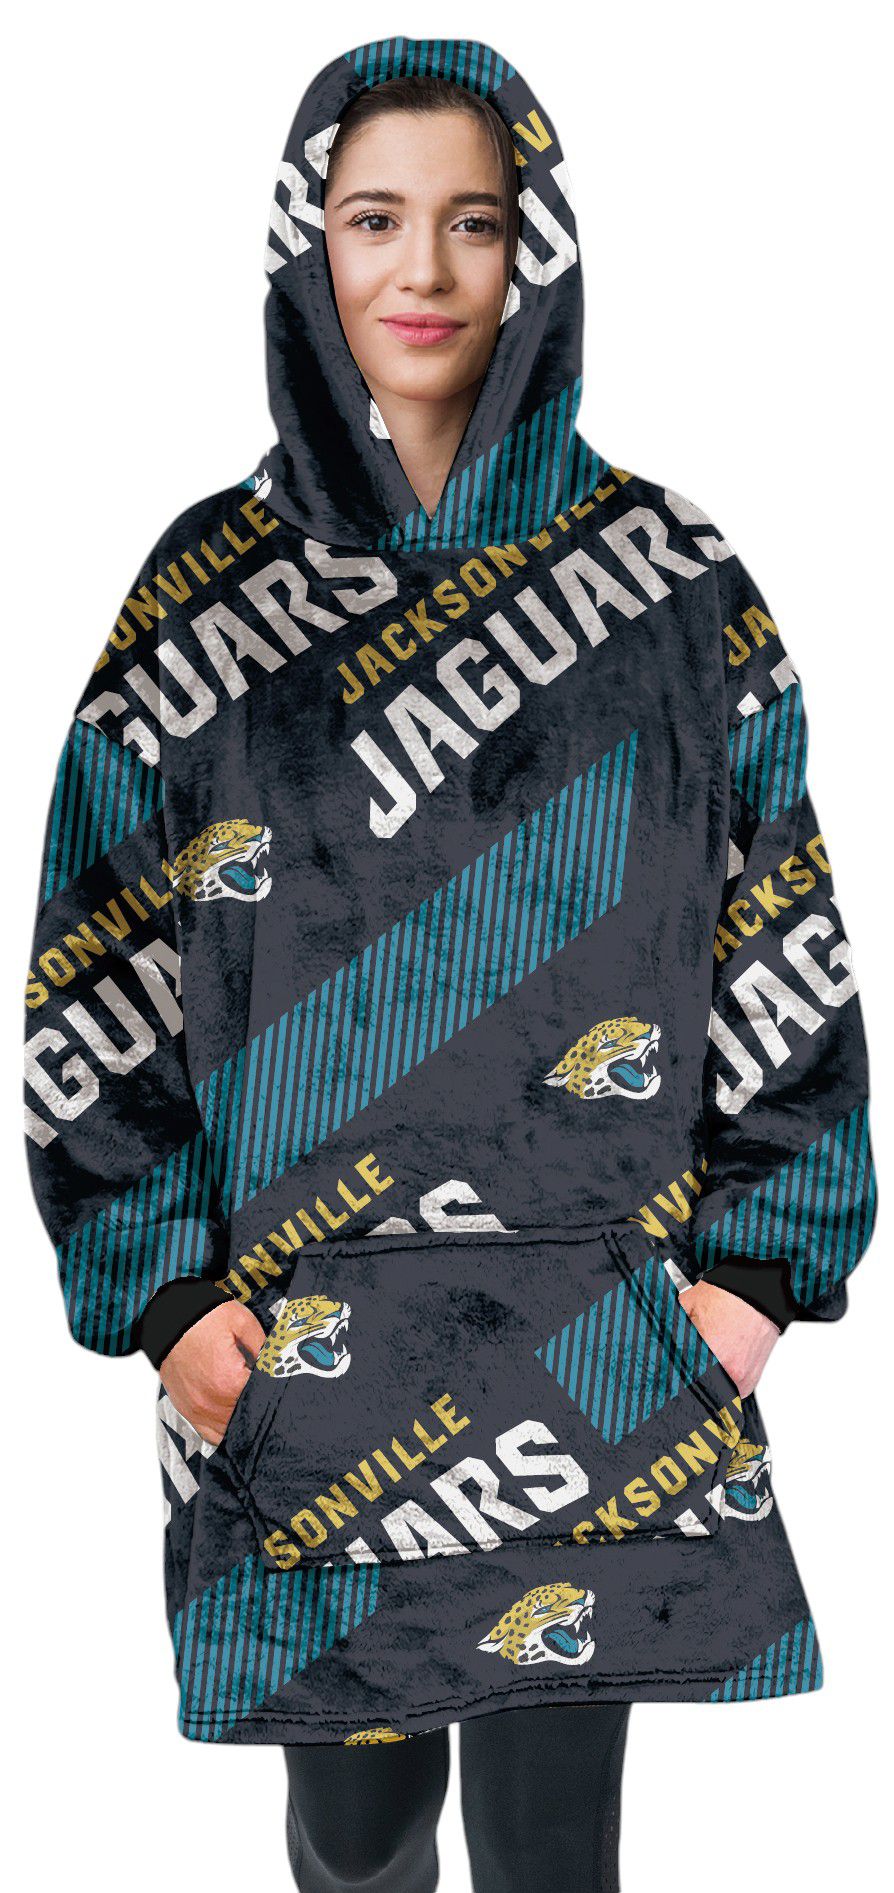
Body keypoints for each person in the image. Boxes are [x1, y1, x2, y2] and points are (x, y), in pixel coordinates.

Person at [22, 36, 878, 1893]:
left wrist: (750, 1277)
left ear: (535, 251)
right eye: (374, 218)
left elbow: (781, 933)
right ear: (305, 244)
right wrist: (165, 1302)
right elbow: (98, 971)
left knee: (556, 1848)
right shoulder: (202, 597)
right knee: (355, 1839)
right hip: (299, 1361)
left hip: (600, 1358)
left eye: (473, 222)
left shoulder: (669, 580)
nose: (422, 270)